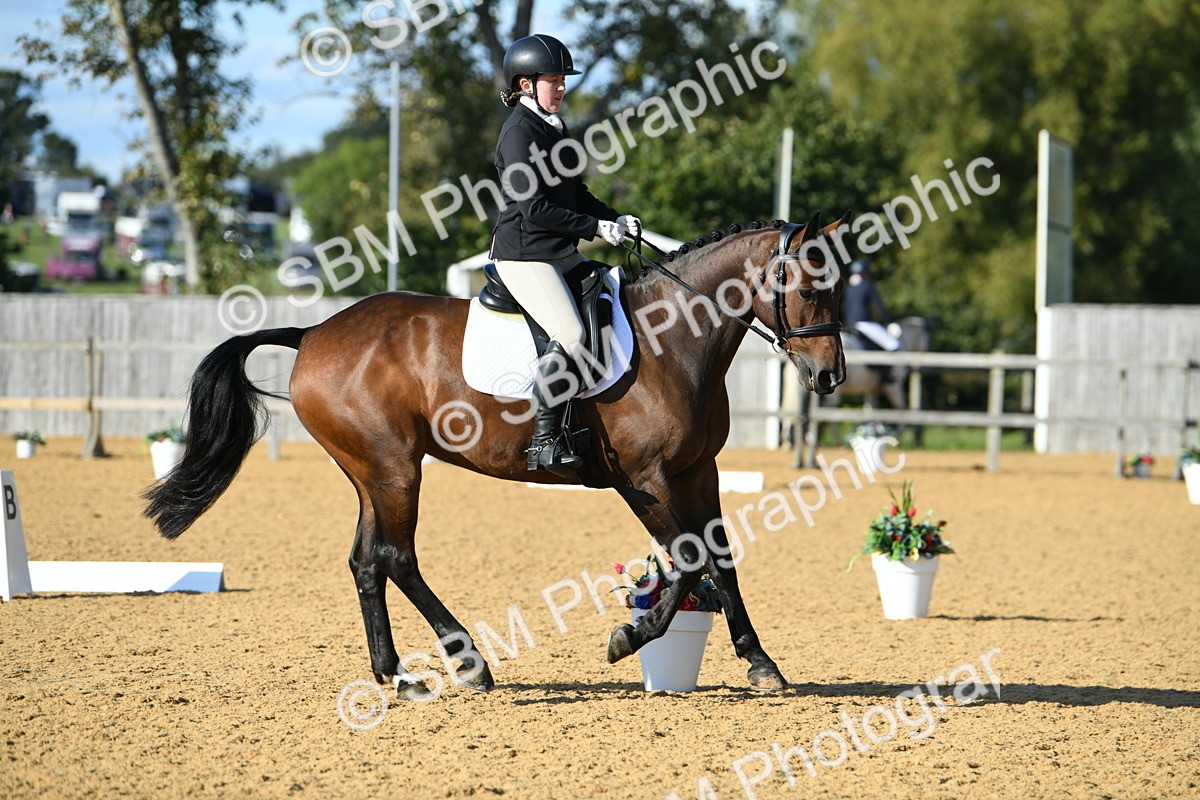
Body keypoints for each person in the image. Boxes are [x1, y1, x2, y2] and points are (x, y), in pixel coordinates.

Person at [490, 33, 640, 477]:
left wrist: (617, 218)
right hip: (525, 256)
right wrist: (598, 230)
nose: (560, 88)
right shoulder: (518, 134)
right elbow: (535, 209)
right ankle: (543, 440)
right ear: (524, 85)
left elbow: (577, 194)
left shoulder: (555, 127)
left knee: (614, 294)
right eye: (552, 80)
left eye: (562, 80)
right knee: (572, 334)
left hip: (558, 252)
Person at [842, 259, 900, 351]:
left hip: (850, 325)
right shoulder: (867, 285)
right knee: (893, 344)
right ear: (864, 273)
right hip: (864, 325)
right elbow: (879, 306)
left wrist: (847, 324)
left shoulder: (849, 289)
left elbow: (845, 308)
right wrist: (888, 322)